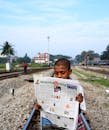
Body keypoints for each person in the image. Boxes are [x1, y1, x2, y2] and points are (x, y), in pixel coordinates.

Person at [35, 58, 86, 130]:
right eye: (56, 73)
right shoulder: (50, 87)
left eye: (62, 73)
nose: (59, 76)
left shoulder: (77, 88)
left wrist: (79, 102)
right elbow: (47, 105)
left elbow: (79, 112)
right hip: (55, 122)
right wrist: (39, 106)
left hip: (69, 123)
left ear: (69, 72)